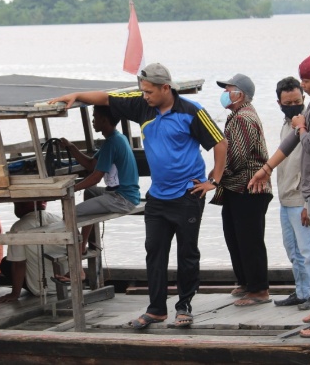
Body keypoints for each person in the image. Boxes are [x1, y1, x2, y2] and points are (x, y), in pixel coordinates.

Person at [48, 63, 227, 329]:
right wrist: (76, 97)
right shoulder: (143, 107)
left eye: (149, 91)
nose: (145, 96)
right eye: (142, 91)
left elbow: (220, 142)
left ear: (166, 87)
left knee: (187, 253)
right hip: (157, 197)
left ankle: (184, 305)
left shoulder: (191, 112)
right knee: (154, 251)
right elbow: (107, 98)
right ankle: (156, 309)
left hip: (188, 194)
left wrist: (214, 180)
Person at [249, 53, 310, 338]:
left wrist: (302, 126)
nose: (303, 87)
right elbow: (293, 139)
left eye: (306, 81)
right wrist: (266, 169)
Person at [210, 74, 273, 307]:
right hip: (237, 187)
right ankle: (247, 282)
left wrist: (215, 176)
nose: (225, 93)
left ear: (240, 94)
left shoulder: (243, 118)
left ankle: (259, 289)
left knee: (249, 239)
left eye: (228, 89)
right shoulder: (238, 116)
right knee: (235, 236)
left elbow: (236, 157)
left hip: (249, 187)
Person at [272, 77, 310, 311]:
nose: (293, 105)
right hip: (285, 197)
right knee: (293, 249)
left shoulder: (308, 123)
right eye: (288, 102)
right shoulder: (286, 124)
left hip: (302, 197)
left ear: (303, 98)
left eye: (297, 100)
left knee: (309, 250)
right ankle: (303, 290)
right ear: (279, 103)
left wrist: (308, 202)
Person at [59, 105, 140, 257]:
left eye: (95, 117)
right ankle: (82, 246)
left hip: (121, 199)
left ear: (104, 120)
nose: (93, 120)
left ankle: (77, 260)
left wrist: (72, 188)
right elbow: (91, 164)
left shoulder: (111, 143)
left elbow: (96, 176)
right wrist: (72, 148)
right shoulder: (117, 138)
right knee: (90, 192)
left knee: (69, 213)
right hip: (123, 194)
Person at [0, 201, 67, 303]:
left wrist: (14, 294)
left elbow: (19, 264)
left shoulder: (19, 227)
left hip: (40, 289)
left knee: (6, 263)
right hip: (66, 284)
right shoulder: (58, 219)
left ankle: (21, 288)